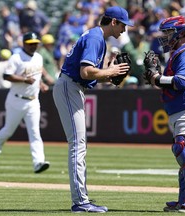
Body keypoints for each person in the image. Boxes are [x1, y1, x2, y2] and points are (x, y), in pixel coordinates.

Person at [52, 6, 133, 213]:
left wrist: (109, 76)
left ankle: (81, 198)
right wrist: (110, 70)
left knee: (79, 144)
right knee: (77, 145)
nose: (125, 29)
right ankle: (80, 202)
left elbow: (89, 77)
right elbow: (85, 71)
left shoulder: (97, 37)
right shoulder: (96, 38)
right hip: (69, 86)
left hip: (72, 86)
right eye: (123, 24)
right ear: (113, 22)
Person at [143, 16, 185, 213]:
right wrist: (156, 80)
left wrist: (156, 77)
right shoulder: (178, 53)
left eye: (168, 33)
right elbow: (170, 85)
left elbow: (180, 82)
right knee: (183, 154)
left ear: (180, 33)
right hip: (183, 110)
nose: (164, 37)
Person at [0, 32, 50, 174]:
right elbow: (6, 75)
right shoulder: (16, 57)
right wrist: (23, 79)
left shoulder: (38, 57)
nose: (33, 46)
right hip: (16, 99)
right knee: (8, 130)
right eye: (31, 43)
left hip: (33, 101)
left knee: (35, 132)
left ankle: (38, 162)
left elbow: (36, 76)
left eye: (35, 43)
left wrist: (41, 84)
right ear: (24, 43)